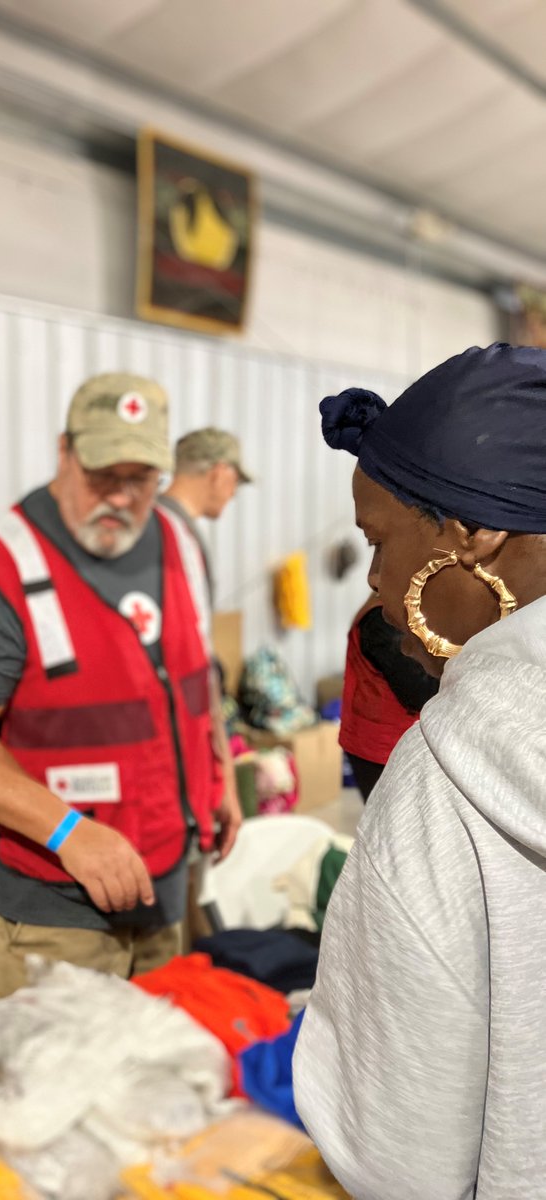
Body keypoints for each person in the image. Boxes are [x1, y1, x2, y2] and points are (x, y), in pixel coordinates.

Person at [293, 343, 546, 1199]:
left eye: (378, 540)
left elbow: (397, 1153)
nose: (375, 579)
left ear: (474, 535)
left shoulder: (445, 785)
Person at [0, 373, 242, 1002]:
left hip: (163, 878)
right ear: (64, 453)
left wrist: (220, 769)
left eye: (140, 479)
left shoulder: (180, 543)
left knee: (153, 1058)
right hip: (54, 901)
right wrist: (68, 832)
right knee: (58, 1064)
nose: (119, 496)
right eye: (102, 474)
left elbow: (194, 674)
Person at [339, 593, 439, 800]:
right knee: (396, 815)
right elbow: (418, 691)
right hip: (380, 748)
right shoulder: (382, 619)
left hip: (385, 743)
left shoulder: (395, 610)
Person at [157, 427, 251, 608]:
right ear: (218, 474)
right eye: (236, 481)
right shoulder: (171, 531)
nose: (233, 493)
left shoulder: (159, 522)